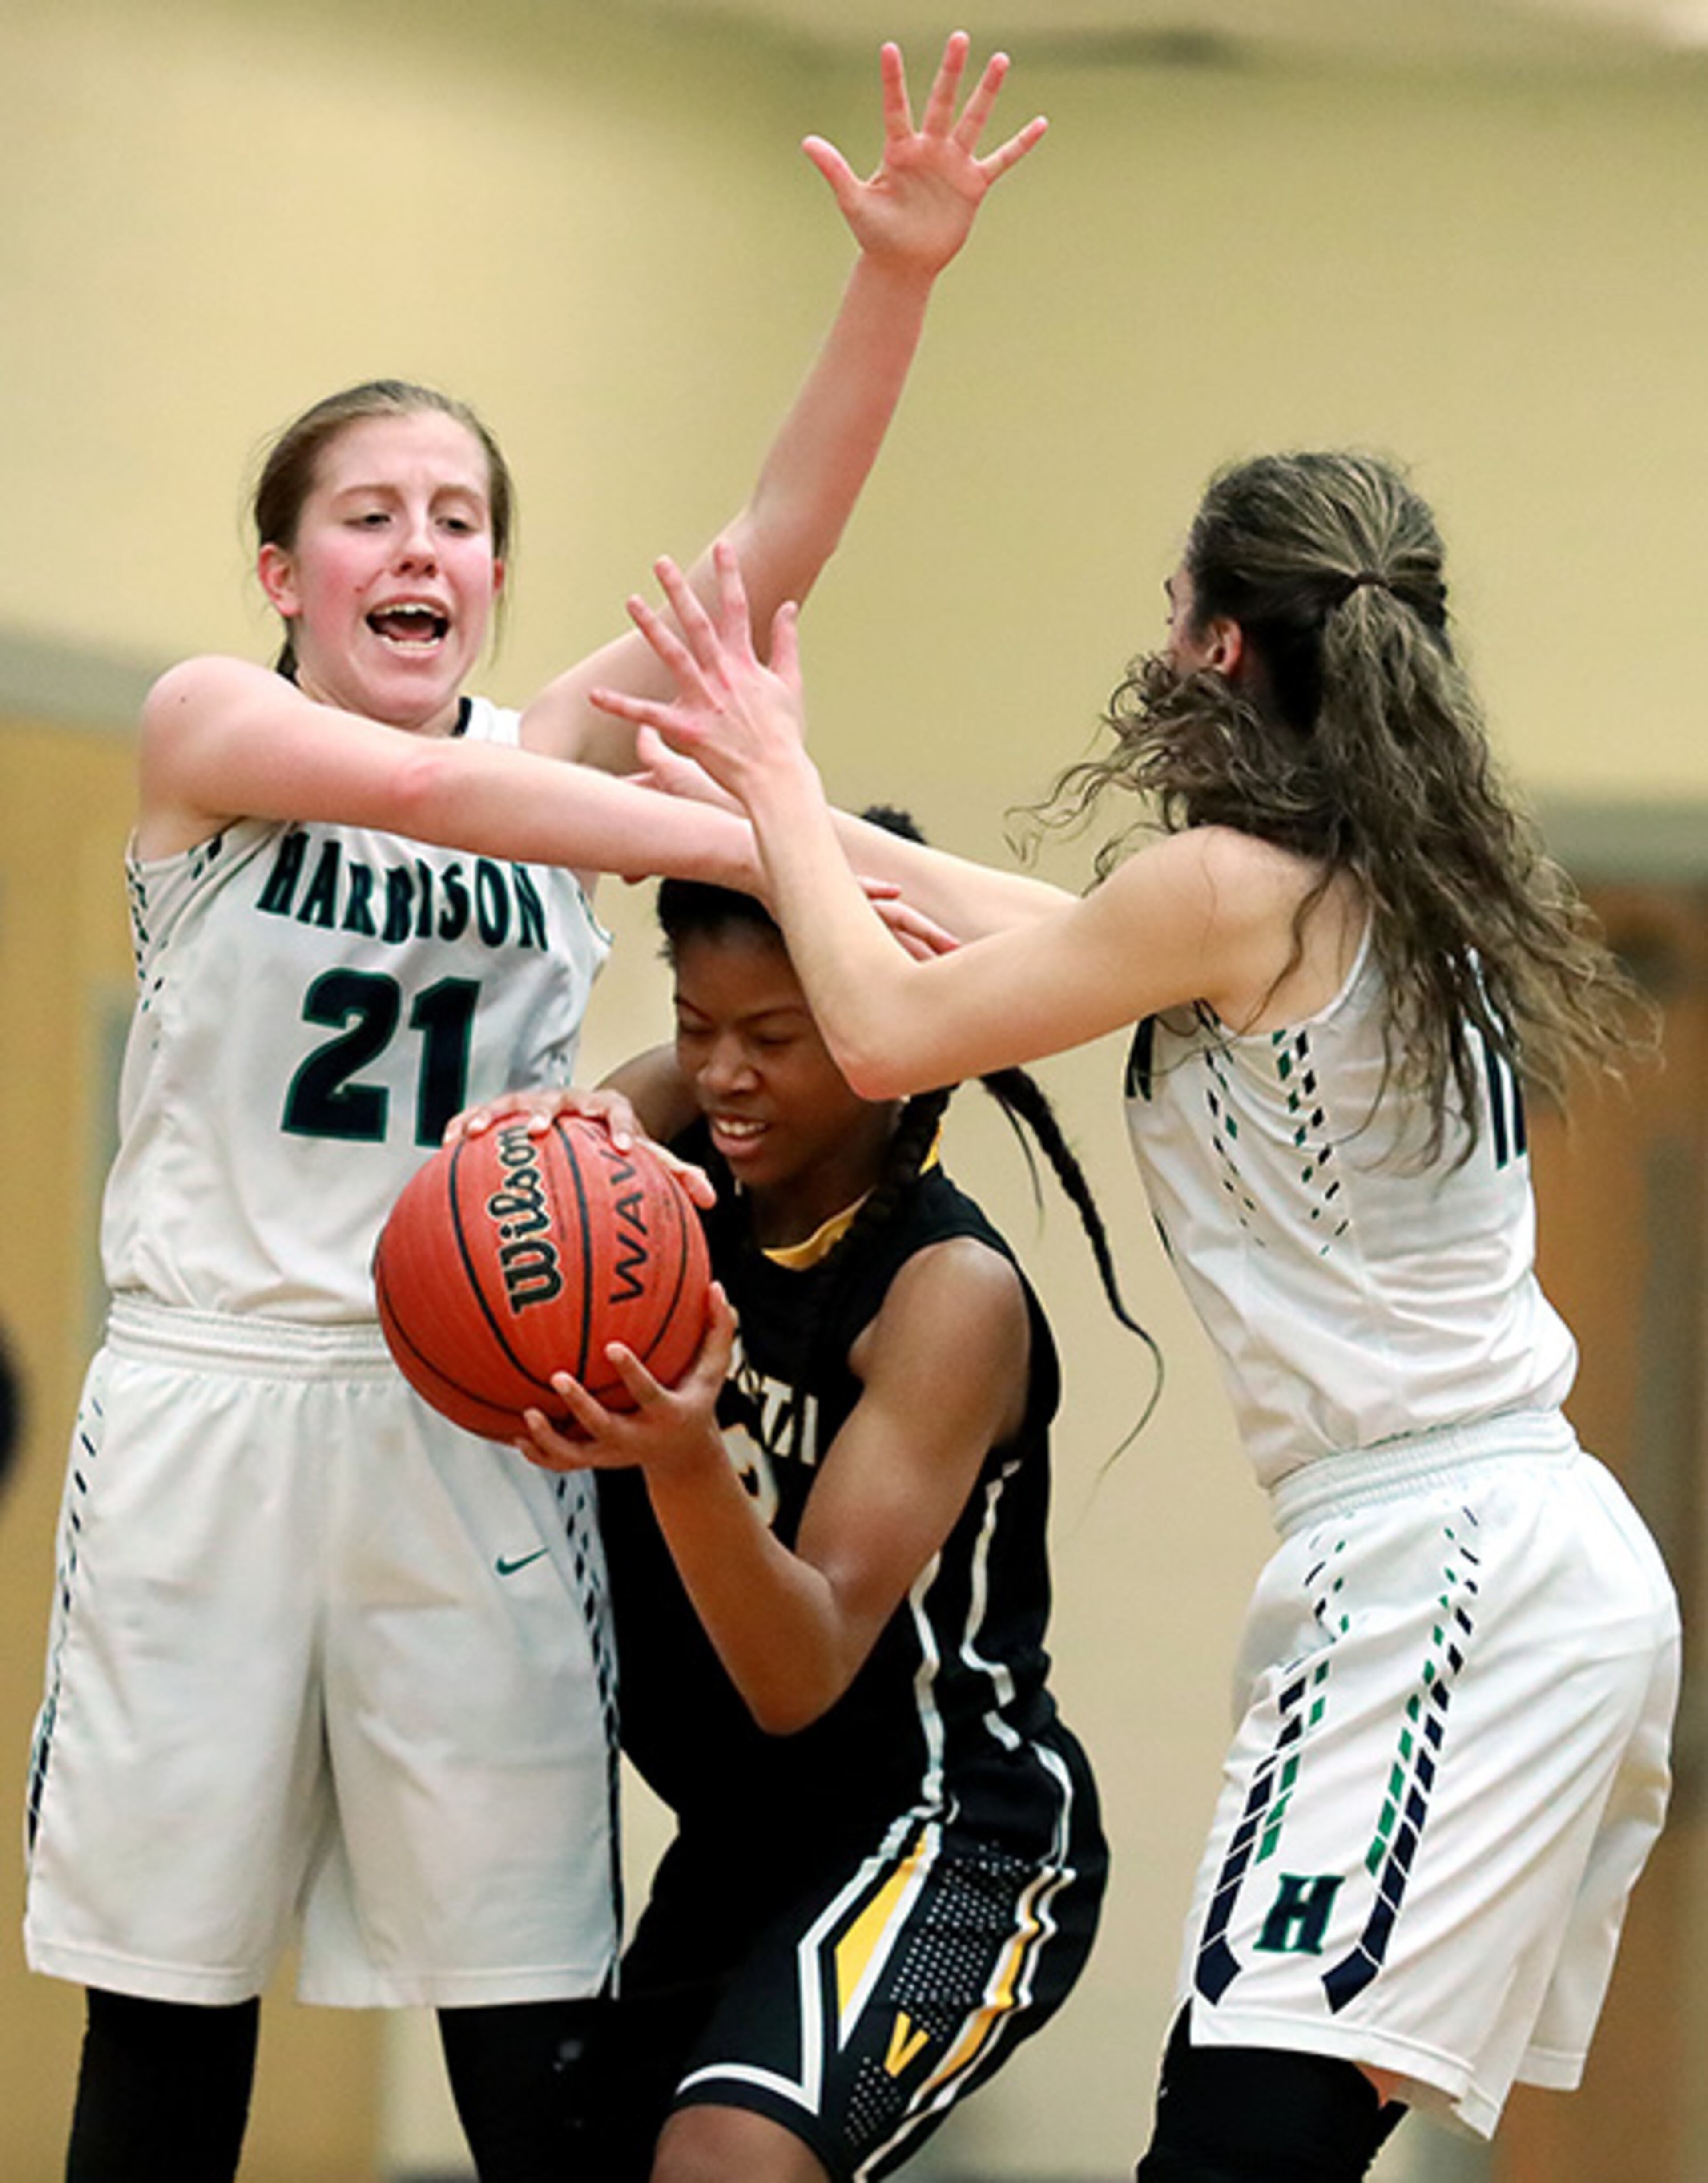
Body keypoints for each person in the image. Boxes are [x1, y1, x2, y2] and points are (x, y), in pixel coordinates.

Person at [20, 38, 1047, 2183]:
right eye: (369, 516)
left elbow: (764, 563)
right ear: (287, 574)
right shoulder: (214, 728)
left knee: (528, 2037)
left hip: (479, 1416)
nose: (423, 548)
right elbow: (415, 789)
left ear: (493, 574)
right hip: (214, 1399)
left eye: (462, 521)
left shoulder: (547, 749)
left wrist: (901, 285)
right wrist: (771, 833)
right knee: (166, 2029)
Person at [588, 457, 1682, 2181]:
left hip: (1447, 1575)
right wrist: (768, 812)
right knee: (1263, 2136)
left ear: (1225, 645)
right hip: (1481, 1560)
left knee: (1237, 2149)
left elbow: (885, 1036)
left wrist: (783, 786)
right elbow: (1038, 943)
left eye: (1175, 613)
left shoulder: (1235, 887)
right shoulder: (1363, 886)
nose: (1156, 646)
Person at [501, 825, 1119, 2183]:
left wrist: (681, 1458)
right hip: (746, 1835)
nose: (725, 1072)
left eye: (775, 1036)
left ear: (881, 1023)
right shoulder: (680, 1170)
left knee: (727, 2160)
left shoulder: (946, 1295)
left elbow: (803, 1666)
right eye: (695, 1024)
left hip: (955, 1831)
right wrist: (580, 1128)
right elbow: (632, 1099)